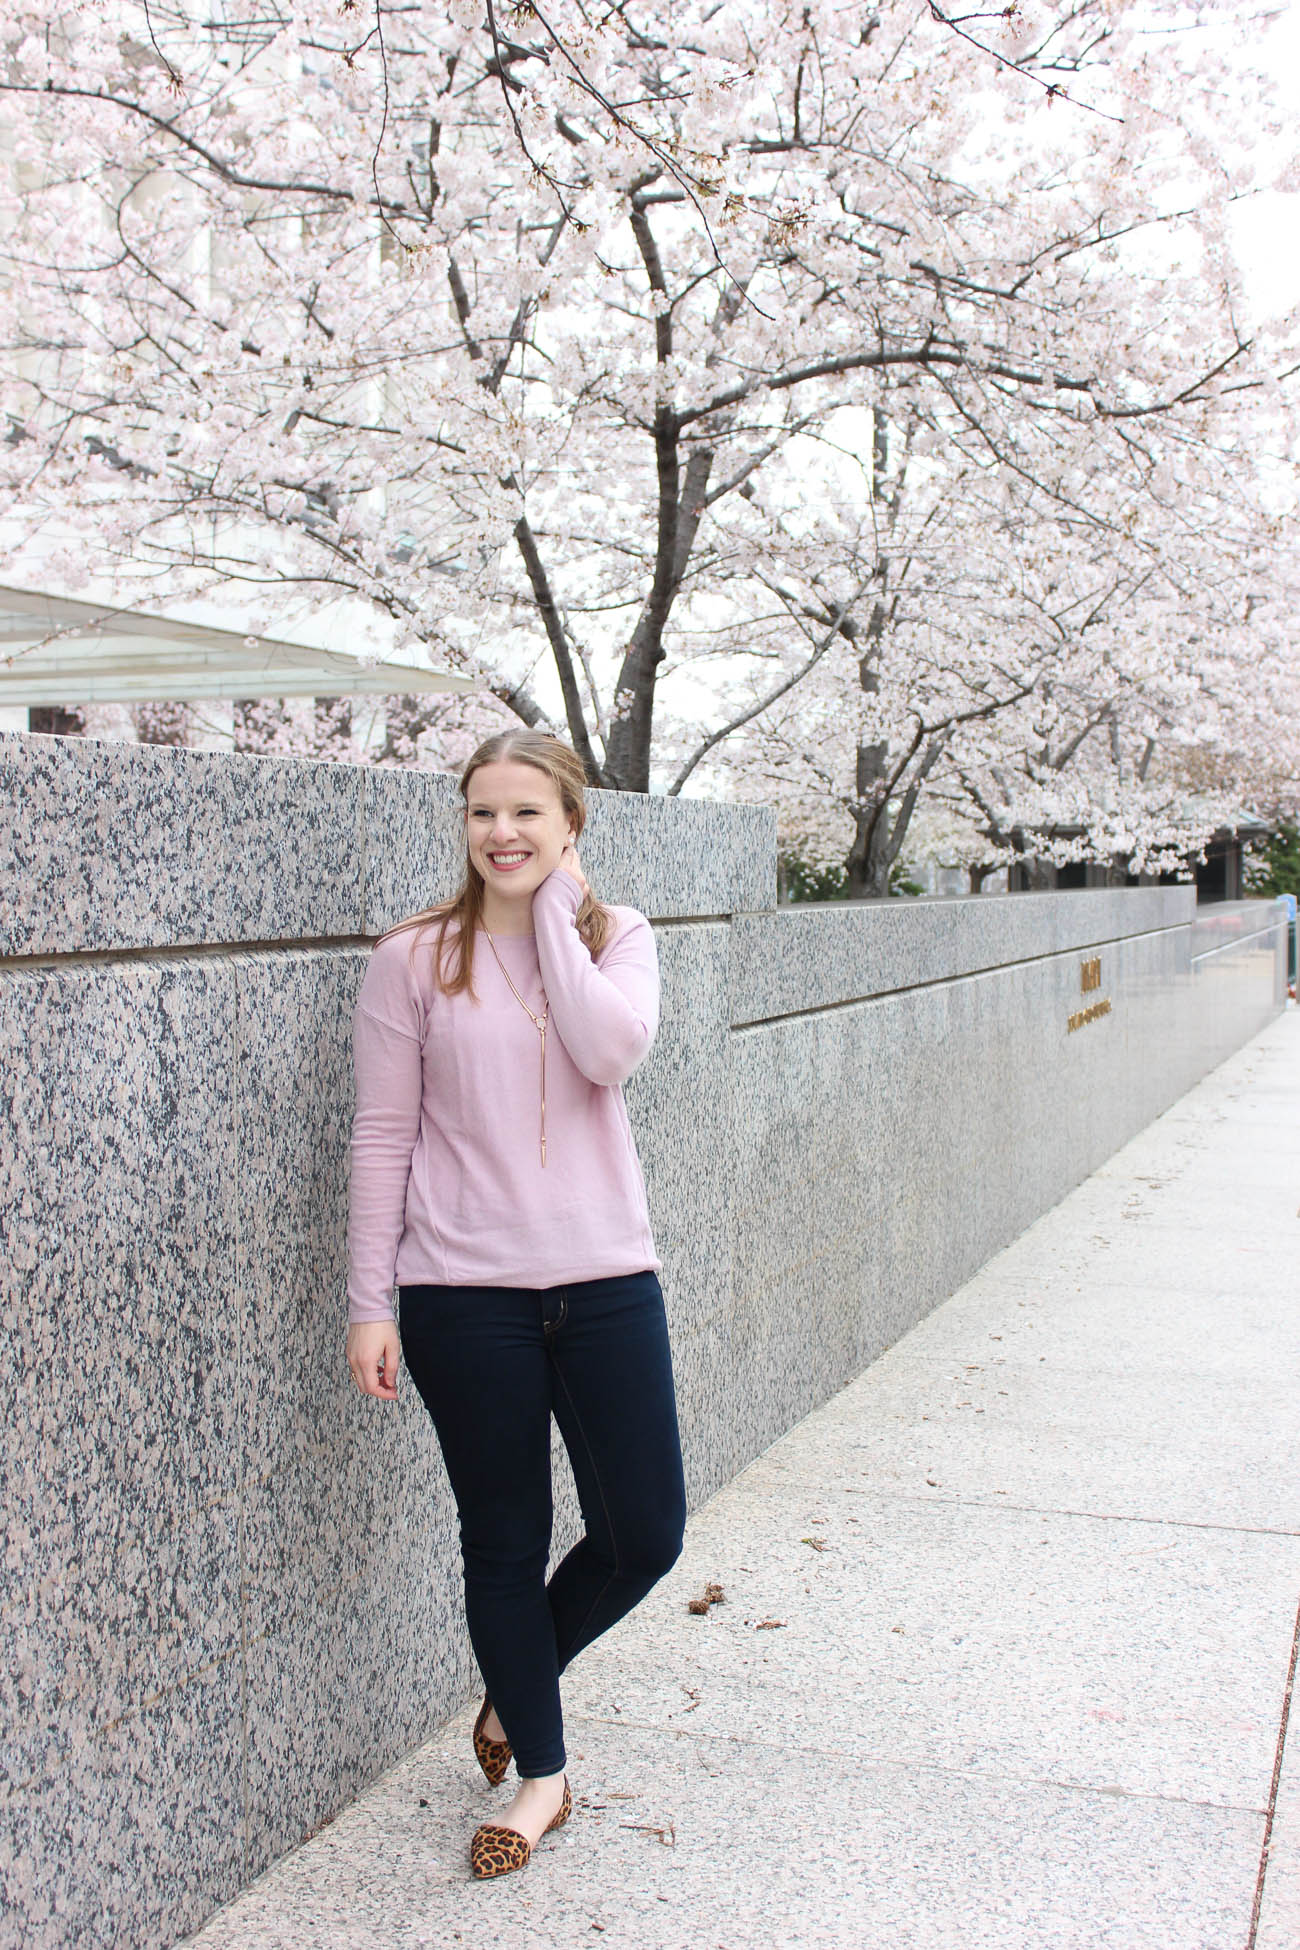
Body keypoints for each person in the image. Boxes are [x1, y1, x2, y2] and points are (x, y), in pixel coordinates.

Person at [344, 729, 686, 1881]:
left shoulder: (616, 939)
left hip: (604, 1284)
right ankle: (543, 1774)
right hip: (459, 1295)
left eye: (528, 814)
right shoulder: (412, 958)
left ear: (571, 826)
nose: (502, 833)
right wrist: (369, 1300)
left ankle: (510, 1690)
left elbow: (608, 1053)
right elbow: (384, 1131)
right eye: (483, 813)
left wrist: (555, 917)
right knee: (501, 1535)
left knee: (643, 1531)